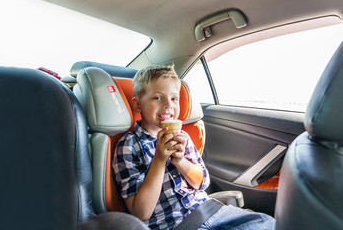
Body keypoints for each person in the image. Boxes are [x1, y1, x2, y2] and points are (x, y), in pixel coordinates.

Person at [112, 65, 275, 230]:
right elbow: (141, 212)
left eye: (174, 98)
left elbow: (202, 183)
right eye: (157, 98)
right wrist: (159, 160)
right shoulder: (129, 146)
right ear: (138, 105)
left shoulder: (183, 137)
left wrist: (181, 161)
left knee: (268, 223)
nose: (169, 105)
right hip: (173, 225)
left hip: (208, 211)